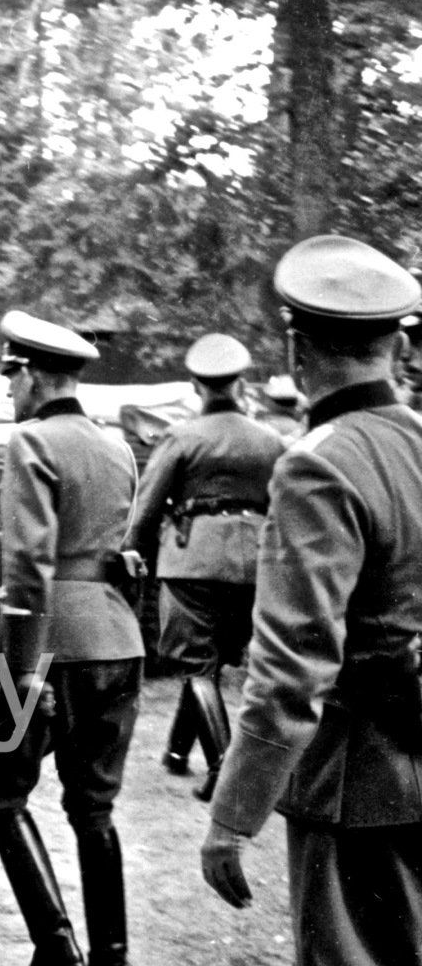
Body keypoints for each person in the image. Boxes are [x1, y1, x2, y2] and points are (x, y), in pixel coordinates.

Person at [201, 234, 422, 966]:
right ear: (398, 346)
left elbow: (289, 672)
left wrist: (231, 816)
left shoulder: (321, 461)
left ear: (295, 348)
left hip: (360, 782)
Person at [0, 310, 144, 966]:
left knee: (1, 783)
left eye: (12, 375)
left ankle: (53, 942)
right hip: (116, 642)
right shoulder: (117, 448)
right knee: (94, 807)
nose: (9, 389)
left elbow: (30, 567)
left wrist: (18, 670)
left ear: (36, 377)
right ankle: (110, 965)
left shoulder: (31, 442)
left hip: (46, 653)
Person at [125, 333, 286, 802]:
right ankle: (178, 752)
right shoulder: (271, 440)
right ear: (240, 384)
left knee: (194, 662)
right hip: (255, 564)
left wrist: (133, 549)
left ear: (197, 385)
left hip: (192, 559)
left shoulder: (182, 436)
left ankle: (223, 769)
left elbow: (148, 505)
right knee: (210, 663)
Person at [255, 373, 306, 440]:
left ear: (276, 403)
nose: (265, 400)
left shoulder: (271, 424)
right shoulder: (298, 423)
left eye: (267, 397)